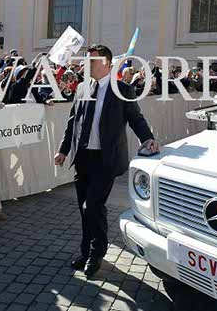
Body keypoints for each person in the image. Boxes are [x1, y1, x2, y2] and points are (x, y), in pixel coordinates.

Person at [54, 44, 159, 277]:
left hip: (106, 159)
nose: (87, 65)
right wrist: (63, 150)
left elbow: (136, 118)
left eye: (92, 61)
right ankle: (85, 252)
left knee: (92, 206)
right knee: (85, 210)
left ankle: (97, 253)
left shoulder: (122, 90)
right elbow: (73, 122)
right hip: (83, 158)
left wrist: (148, 138)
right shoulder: (82, 88)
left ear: (107, 64)